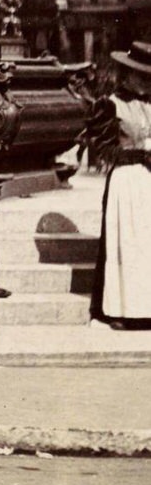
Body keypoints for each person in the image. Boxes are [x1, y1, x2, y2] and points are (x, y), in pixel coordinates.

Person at [91, 41, 151, 328]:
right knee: (125, 241)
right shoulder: (111, 104)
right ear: (127, 75)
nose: (144, 81)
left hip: (149, 181)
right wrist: (138, 154)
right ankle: (120, 309)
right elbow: (100, 147)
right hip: (126, 180)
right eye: (139, 75)